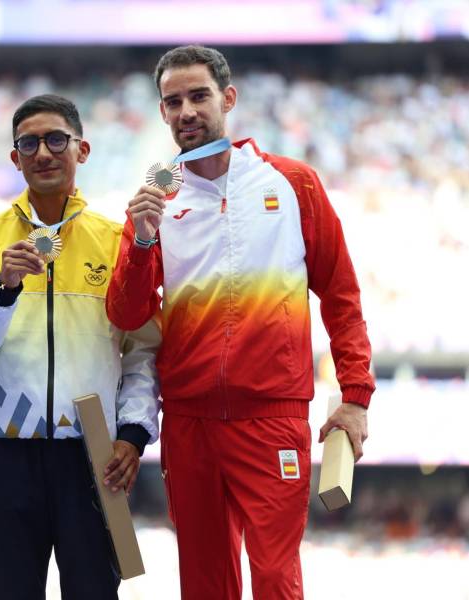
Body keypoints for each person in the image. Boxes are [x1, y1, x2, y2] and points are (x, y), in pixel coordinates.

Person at [105, 45, 376, 600]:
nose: (186, 111)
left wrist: (355, 395)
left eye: (199, 96)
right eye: (172, 101)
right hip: (189, 421)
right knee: (205, 583)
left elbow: (341, 295)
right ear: (161, 113)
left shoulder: (291, 183)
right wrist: (141, 241)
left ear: (227, 99)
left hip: (271, 415)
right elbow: (127, 314)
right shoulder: (157, 199)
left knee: (276, 578)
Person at [0, 94, 161, 600]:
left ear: (81, 150)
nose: (43, 152)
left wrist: (132, 433)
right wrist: (2, 287)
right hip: (6, 452)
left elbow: (143, 349)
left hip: (94, 454)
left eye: (56, 139)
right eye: (29, 143)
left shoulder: (117, 240)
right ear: (14, 158)